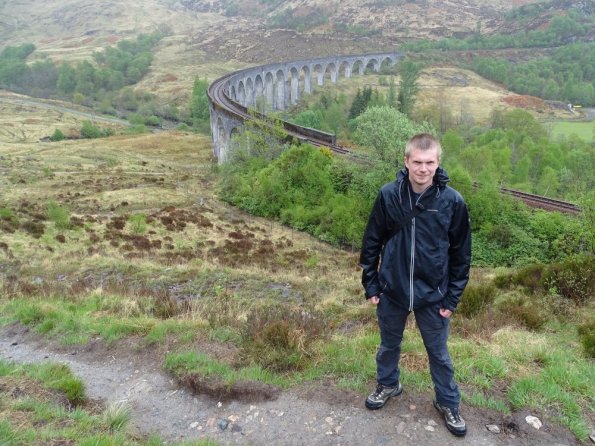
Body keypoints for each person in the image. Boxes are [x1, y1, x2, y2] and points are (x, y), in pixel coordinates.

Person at [359, 133, 471, 437]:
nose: (423, 169)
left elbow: (461, 254)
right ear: (406, 161)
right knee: (388, 346)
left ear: (438, 163)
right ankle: (388, 385)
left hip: (433, 296)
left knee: (439, 354)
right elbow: (371, 242)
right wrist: (371, 284)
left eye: (429, 162)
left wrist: (452, 298)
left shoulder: (452, 202)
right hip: (391, 290)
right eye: (417, 162)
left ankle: (447, 403)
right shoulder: (388, 195)